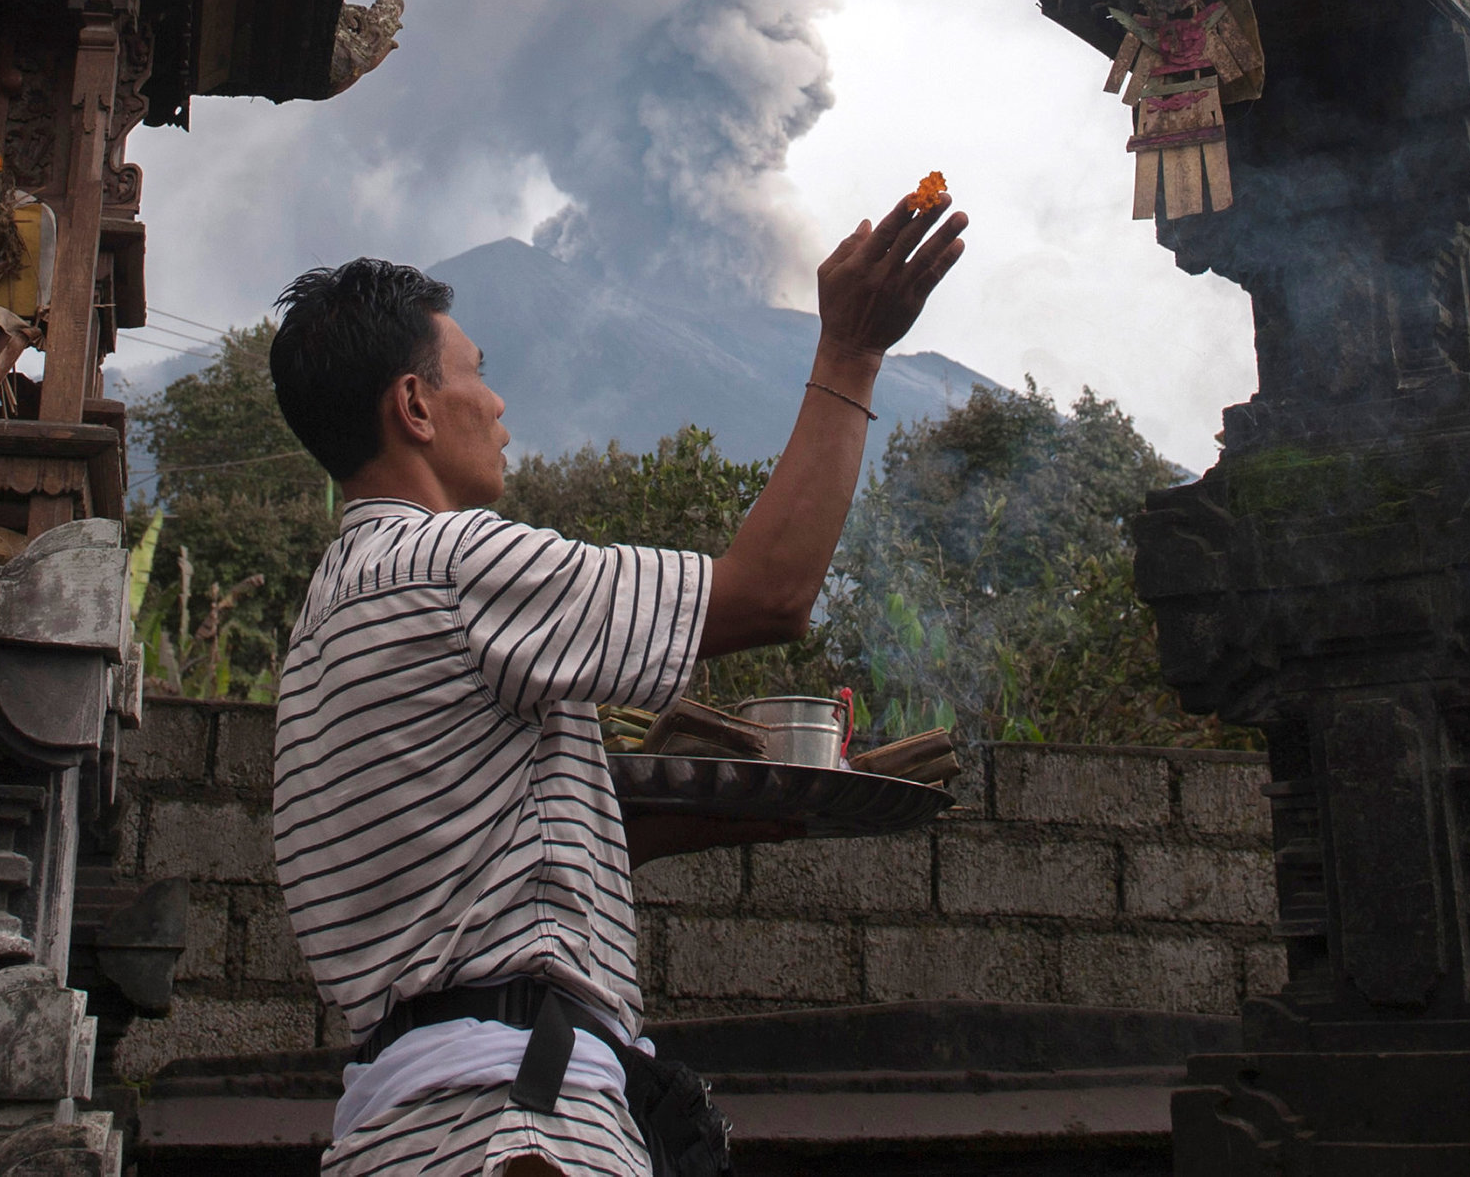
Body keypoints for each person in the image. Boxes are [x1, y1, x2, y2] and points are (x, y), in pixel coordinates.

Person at [265, 192, 967, 1177]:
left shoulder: (333, 610)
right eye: (477, 374)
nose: (497, 404)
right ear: (414, 405)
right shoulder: (453, 563)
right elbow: (769, 592)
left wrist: (790, 797)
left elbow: (517, 854)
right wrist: (849, 351)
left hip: (402, 1130)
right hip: (518, 1121)